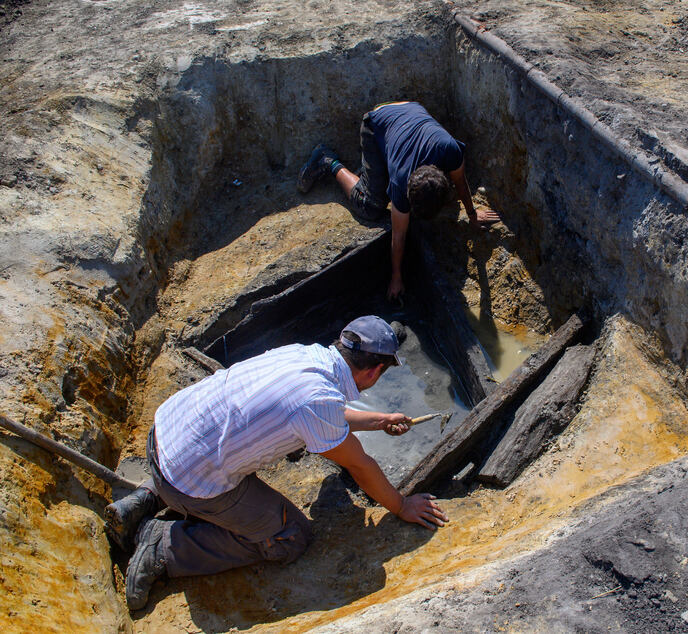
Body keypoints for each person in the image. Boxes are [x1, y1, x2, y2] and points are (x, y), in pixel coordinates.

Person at [104, 315, 449, 610]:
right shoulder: (317, 402)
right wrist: (401, 504)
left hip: (165, 437)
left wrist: (379, 419)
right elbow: (359, 464)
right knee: (291, 537)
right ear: (375, 372)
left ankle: (148, 496)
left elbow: (321, 411)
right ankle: (165, 545)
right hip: (191, 481)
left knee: (218, 449)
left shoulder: (305, 356)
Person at [297, 101, 500, 300]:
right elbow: (399, 235)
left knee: (408, 195)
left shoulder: (449, 149)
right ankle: (326, 160)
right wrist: (396, 276)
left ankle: (370, 175)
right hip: (375, 124)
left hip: (407, 111)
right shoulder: (402, 182)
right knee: (370, 206)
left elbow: (461, 183)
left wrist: (472, 214)